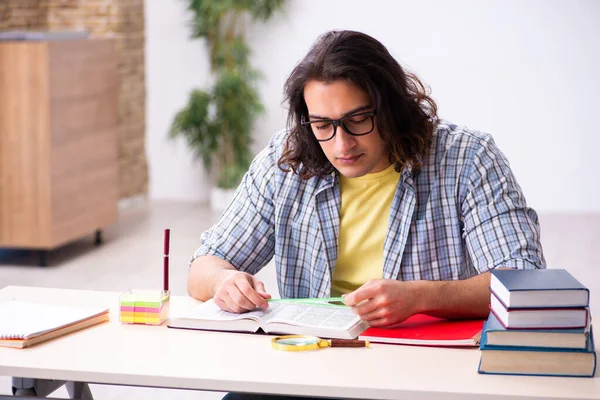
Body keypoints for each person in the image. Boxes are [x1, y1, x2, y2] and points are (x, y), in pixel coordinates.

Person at [188, 27, 545, 344]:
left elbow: (524, 283)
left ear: (391, 106)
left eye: (358, 120)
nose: (342, 145)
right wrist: (224, 283)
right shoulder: (285, 162)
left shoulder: (467, 158)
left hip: (419, 363)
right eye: (322, 125)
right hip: (311, 358)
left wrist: (423, 298)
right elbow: (203, 268)